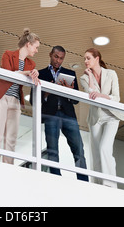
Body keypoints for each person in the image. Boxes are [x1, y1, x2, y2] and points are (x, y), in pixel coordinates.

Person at [32, 45, 88, 181]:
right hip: (51, 115)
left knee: (78, 149)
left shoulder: (70, 74)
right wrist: (46, 92)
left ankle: (83, 180)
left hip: (68, 115)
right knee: (52, 149)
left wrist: (70, 90)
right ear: (50, 55)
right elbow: (33, 100)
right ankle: (55, 178)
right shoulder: (41, 73)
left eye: (61, 58)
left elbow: (75, 100)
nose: (58, 60)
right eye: (56, 57)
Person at [0, 28, 40, 164]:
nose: (37, 50)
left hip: (15, 101)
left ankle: (8, 168)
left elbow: (26, 77)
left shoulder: (31, 64)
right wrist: (27, 73)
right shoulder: (8, 54)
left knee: (11, 139)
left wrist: (34, 73)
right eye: (36, 47)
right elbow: (7, 74)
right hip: (0, 97)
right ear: (28, 44)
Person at [80, 48, 124, 188]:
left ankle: (110, 185)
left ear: (97, 59)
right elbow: (92, 94)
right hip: (96, 118)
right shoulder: (84, 78)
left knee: (104, 147)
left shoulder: (111, 74)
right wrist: (89, 76)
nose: (85, 61)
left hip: (112, 116)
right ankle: (98, 185)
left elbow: (116, 98)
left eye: (88, 58)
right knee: (96, 153)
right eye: (84, 59)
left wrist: (102, 96)